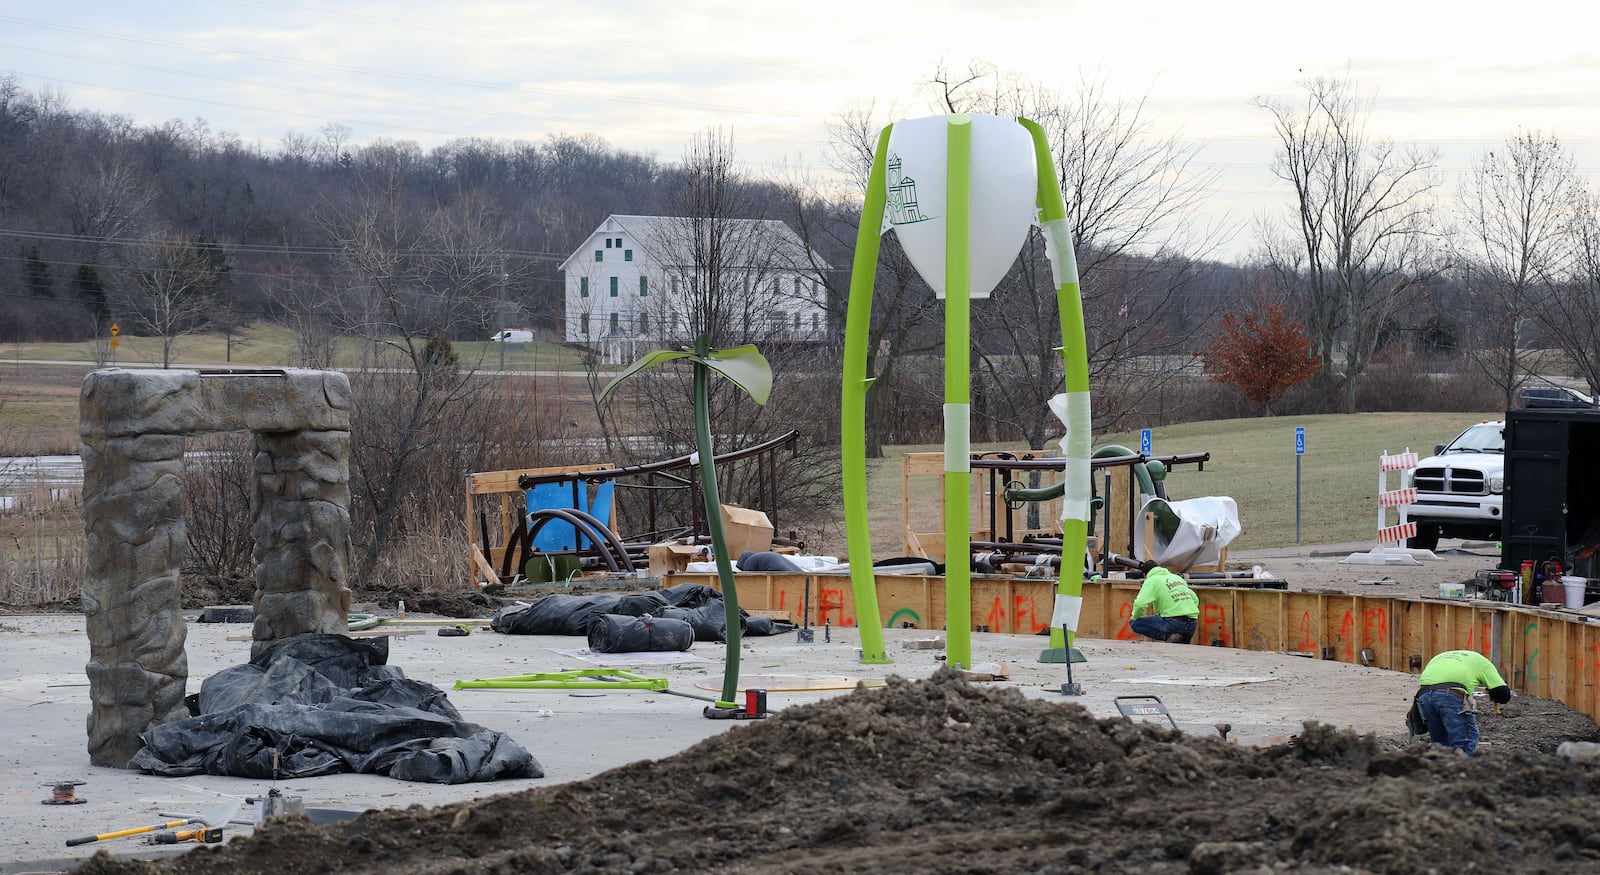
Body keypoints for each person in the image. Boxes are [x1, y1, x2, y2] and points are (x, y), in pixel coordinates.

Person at [1413, 650, 1511, 755]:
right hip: (1451, 696)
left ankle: (1439, 768)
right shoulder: (1483, 662)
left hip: (1424, 696)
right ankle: (1461, 768)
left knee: (1440, 743)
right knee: (1465, 740)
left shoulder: (1440, 656)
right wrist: (1492, 691)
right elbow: (1503, 695)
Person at [1128, 566, 1199, 644]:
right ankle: (1175, 637)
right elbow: (1195, 599)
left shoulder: (1152, 580)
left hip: (1173, 623)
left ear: (1145, 574)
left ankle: (1168, 636)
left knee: (1135, 623)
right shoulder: (1177, 578)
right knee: (1182, 650)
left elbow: (1140, 604)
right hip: (1192, 624)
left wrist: (1134, 617)